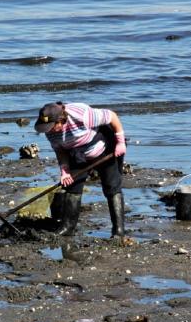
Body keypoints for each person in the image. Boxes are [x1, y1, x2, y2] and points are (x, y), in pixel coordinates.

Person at [34, 102, 127, 237]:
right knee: (73, 188)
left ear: (61, 120)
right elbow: (60, 151)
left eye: (51, 127)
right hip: (76, 155)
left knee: (111, 186)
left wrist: (120, 142)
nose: (49, 131)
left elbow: (112, 116)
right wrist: (65, 171)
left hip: (103, 149)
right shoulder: (49, 131)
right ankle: (67, 228)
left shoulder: (81, 115)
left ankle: (118, 230)